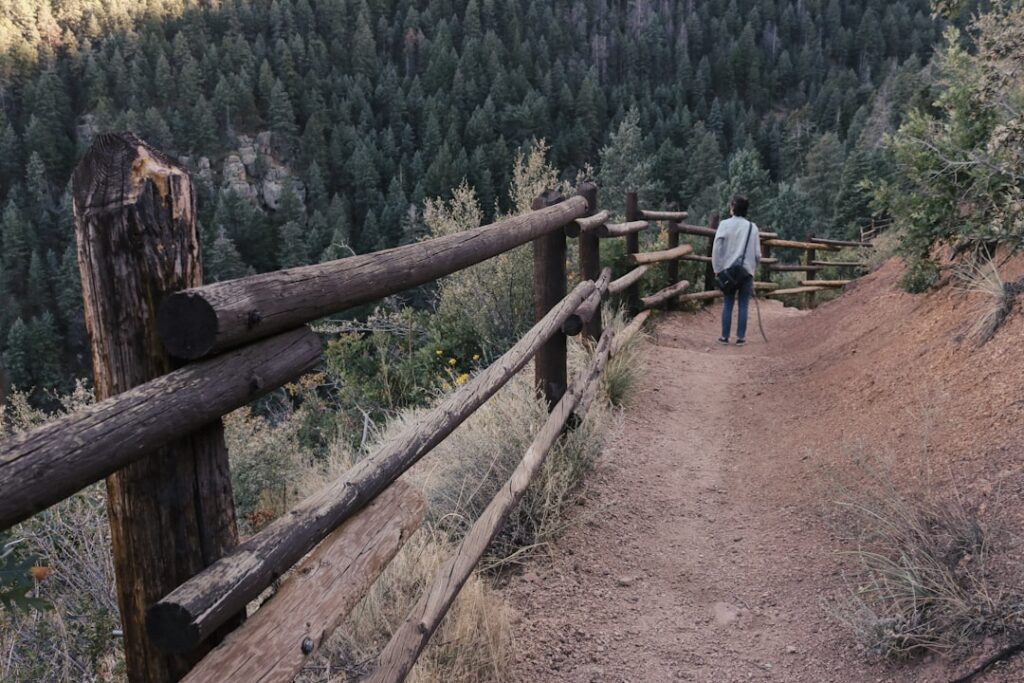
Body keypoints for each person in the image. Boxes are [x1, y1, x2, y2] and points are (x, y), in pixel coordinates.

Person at [712, 195, 760, 346]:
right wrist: (753, 268)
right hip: (746, 272)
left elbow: (717, 248)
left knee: (728, 303)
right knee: (744, 305)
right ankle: (741, 338)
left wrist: (717, 268)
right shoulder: (753, 227)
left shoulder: (724, 224)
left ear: (733, 207)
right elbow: (758, 254)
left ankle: (724, 337)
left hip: (728, 270)